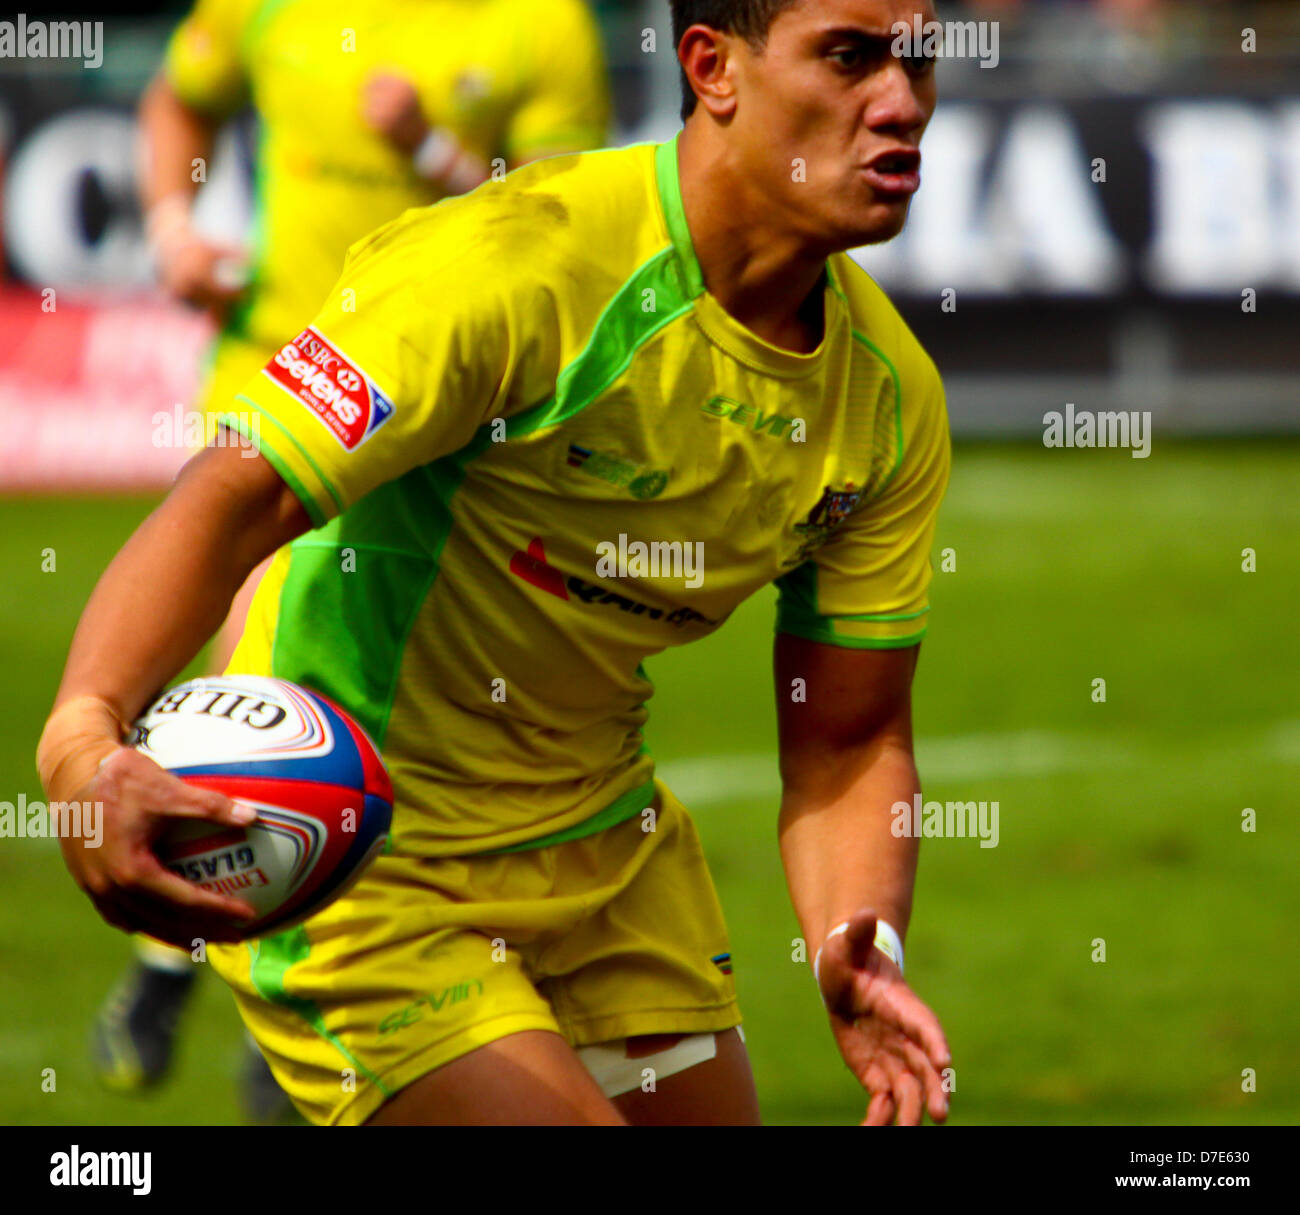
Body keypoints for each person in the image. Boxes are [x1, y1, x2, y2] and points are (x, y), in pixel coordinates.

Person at [41, 0, 953, 1126]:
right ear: (711, 68)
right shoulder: (525, 259)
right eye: (851, 58)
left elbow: (849, 739)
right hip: (367, 853)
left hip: (607, 858)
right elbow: (245, 490)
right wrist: (82, 736)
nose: (902, 102)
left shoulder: (890, 398)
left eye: (918, 62)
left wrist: (859, 945)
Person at [92, 0, 610, 1118]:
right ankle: (246, 976)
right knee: (267, 680)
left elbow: (567, 231)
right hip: (275, 384)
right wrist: (172, 231)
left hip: (434, 408)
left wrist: (430, 149)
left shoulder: (544, 28)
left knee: (376, 708)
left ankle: (209, 966)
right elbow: (180, 96)